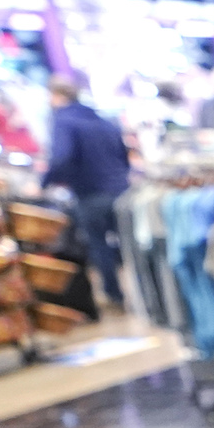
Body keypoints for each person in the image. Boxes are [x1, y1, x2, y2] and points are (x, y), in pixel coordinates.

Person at [41, 76, 134, 314]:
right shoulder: (101, 120)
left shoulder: (64, 122)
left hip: (90, 193)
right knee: (129, 244)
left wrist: (45, 182)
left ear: (57, 96)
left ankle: (114, 295)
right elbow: (123, 154)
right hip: (120, 190)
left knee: (99, 246)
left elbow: (61, 157)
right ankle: (144, 293)